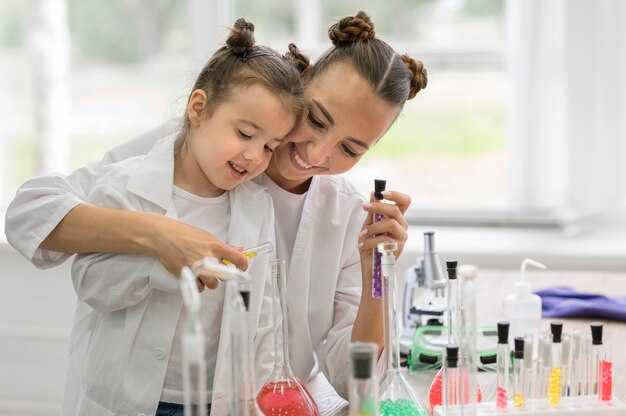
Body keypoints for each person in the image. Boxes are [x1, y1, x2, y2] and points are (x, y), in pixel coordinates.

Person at [5, 9, 428, 410]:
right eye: (316, 120)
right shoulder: (197, 150)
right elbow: (31, 212)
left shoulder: (348, 215)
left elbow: (353, 378)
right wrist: (160, 236)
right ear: (302, 80)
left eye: (350, 149)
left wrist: (378, 271)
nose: (317, 152)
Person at [64, 19, 304, 416]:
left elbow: (264, 314)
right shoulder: (125, 185)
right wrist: (162, 268)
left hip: (213, 401)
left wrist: (264, 393)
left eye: (269, 147)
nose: (254, 156)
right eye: (245, 134)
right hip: (127, 398)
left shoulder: (254, 205)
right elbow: (90, 282)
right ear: (199, 108)